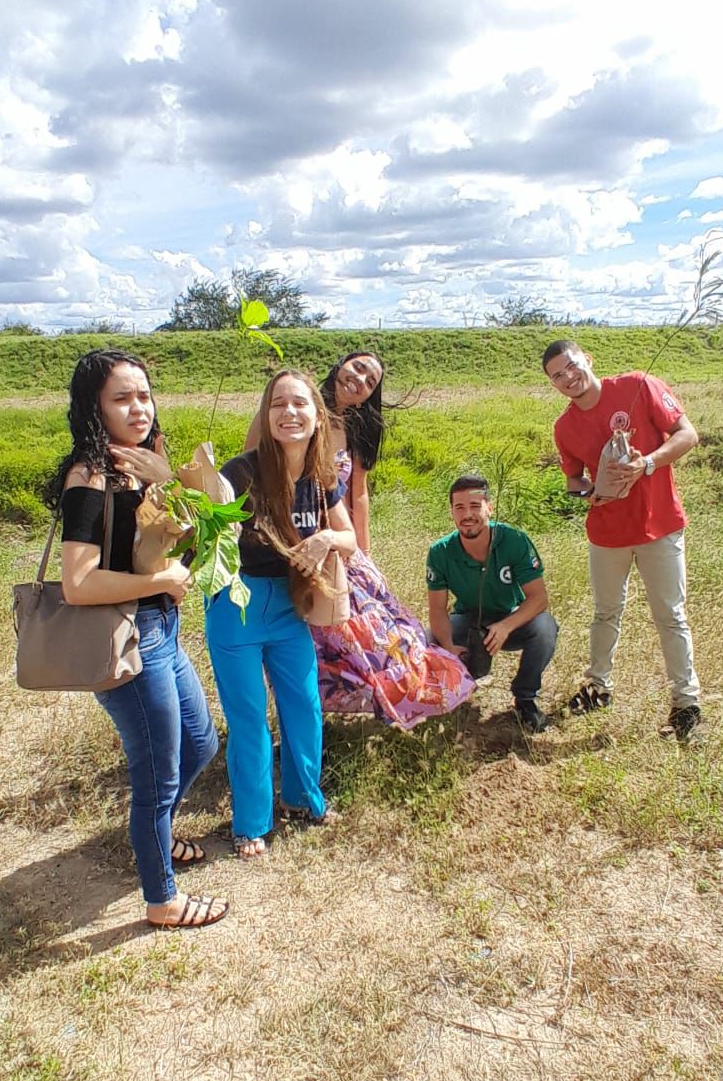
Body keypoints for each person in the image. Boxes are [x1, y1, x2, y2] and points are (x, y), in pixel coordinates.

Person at [52, 349, 227, 929]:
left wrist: (170, 481)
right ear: (94, 407)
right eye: (121, 397)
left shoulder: (144, 463)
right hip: (127, 636)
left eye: (144, 395)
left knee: (200, 743)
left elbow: (202, 520)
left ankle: (154, 835)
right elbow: (77, 584)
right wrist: (160, 579)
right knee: (157, 774)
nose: (138, 408)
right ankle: (163, 900)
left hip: (162, 630)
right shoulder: (90, 476)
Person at [246, 352, 476, 728]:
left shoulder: (355, 429)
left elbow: (359, 493)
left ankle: (406, 694)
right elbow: (248, 473)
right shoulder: (287, 410)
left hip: (335, 546)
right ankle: (302, 720)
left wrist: (363, 556)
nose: (360, 381)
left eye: (371, 382)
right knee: (296, 637)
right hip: (282, 547)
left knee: (373, 634)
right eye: (358, 368)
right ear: (339, 365)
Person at [206, 369, 357, 859]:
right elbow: (207, 534)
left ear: (317, 416)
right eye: (278, 405)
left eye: (299, 405)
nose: (289, 413)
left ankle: (303, 799)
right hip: (238, 604)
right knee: (250, 718)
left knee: (304, 706)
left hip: (291, 607)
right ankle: (251, 823)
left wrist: (327, 538)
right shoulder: (240, 473)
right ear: (266, 415)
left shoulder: (321, 478)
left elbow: (349, 538)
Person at [542, 338, 701, 742]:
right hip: (607, 534)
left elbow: (687, 434)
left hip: (659, 526)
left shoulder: (637, 385)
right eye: (557, 376)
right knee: (606, 612)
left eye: (571, 366)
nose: (568, 378)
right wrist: (588, 492)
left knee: (670, 614)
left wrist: (647, 463)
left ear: (587, 359)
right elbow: (573, 481)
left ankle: (686, 704)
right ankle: (599, 687)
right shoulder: (565, 427)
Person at [426, 476, 558, 733]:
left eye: (475, 506)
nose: (468, 514)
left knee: (545, 627)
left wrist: (506, 626)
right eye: (460, 507)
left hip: (511, 620)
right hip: (468, 620)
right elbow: (437, 610)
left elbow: (539, 598)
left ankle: (525, 697)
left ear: (489, 507)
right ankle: (455, 689)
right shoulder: (439, 551)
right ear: (451, 511)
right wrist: (448, 647)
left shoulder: (514, 540)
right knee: (428, 637)